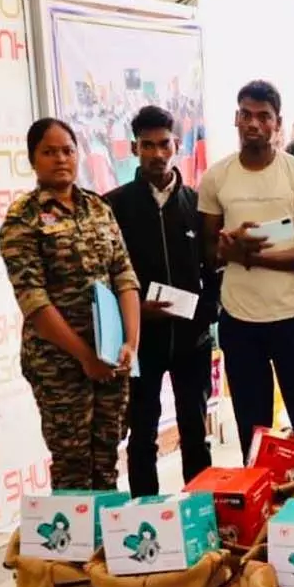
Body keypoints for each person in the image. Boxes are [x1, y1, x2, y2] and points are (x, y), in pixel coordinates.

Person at [1, 118, 140, 490]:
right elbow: (33, 300)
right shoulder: (22, 218)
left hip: (110, 357)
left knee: (107, 459)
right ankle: (75, 530)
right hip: (59, 364)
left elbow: (124, 275)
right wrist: (84, 356)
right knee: (73, 464)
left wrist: (130, 343)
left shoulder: (98, 208)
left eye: (67, 150)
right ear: (33, 159)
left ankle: (105, 528)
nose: (60, 159)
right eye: (49, 152)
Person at [199, 80, 294, 460]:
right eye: (246, 115)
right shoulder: (216, 176)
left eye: (264, 116)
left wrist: (250, 257)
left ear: (278, 123)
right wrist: (227, 246)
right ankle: (259, 497)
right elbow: (208, 252)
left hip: (293, 318)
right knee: (252, 432)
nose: (254, 123)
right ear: (236, 118)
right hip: (240, 321)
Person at [104, 106, 216, 496]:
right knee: (141, 436)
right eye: (147, 145)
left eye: (164, 144)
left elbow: (213, 266)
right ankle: (145, 515)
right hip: (141, 343)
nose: (157, 153)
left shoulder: (197, 204)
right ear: (135, 148)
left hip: (191, 341)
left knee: (195, 433)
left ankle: (201, 512)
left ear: (176, 144)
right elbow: (105, 276)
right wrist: (134, 313)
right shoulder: (114, 206)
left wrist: (206, 313)